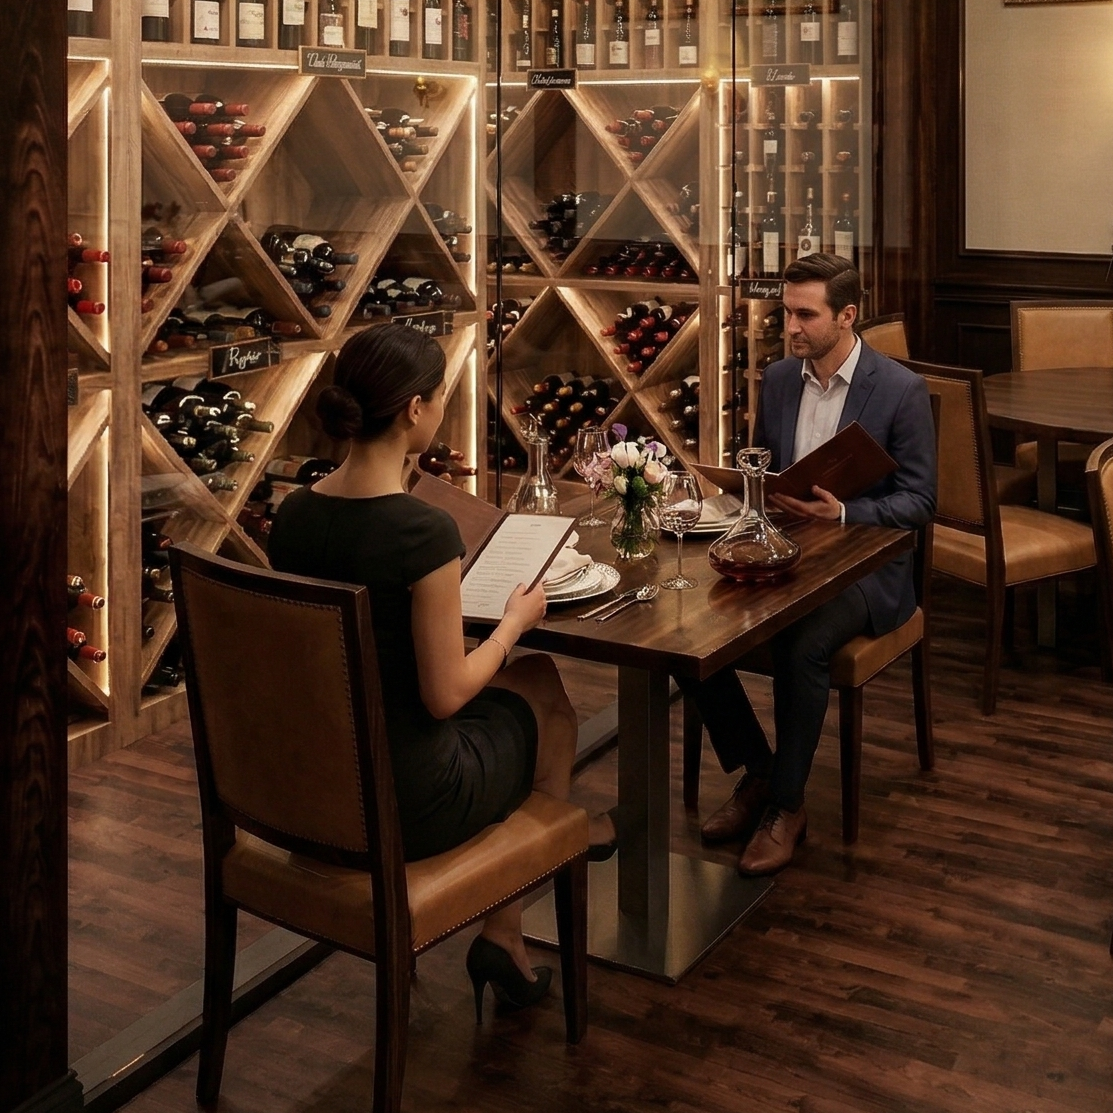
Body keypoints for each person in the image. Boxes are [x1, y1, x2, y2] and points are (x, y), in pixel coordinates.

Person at [269, 321, 609, 1022]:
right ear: (415, 410)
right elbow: (446, 692)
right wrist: (514, 621)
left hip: (317, 789)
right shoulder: (420, 532)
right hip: (408, 804)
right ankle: (505, 928)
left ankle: (508, 930)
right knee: (548, 704)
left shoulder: (293, 514)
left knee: (536, 682)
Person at [688, 254, 936, 876]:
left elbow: (922, 501)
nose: (791, 327)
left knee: (802, 647)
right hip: (785, 552)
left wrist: (845, 513)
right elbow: (767, 469)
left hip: (865, 566)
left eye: (805, 315)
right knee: (688, 629)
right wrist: (745, 489)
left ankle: (787, 808)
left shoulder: (900, 389)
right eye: (785, 313)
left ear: (847, 317)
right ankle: (760, 772)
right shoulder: (778, 380)